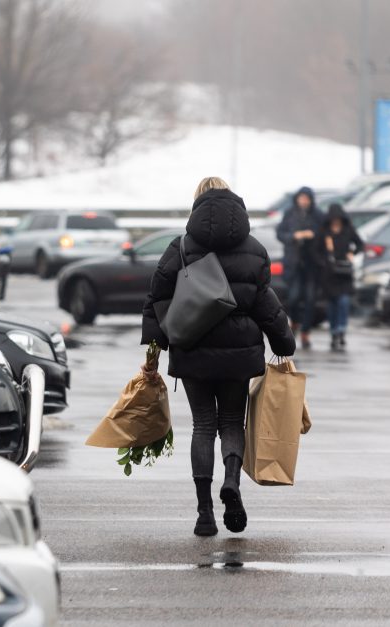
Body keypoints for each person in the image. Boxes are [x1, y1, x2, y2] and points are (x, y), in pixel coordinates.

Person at [141, 177, 296, 537]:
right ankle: (231, 482)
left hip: (192, 350)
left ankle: (204, 513)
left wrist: (154, 351)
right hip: (239, 355)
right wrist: (283, 342)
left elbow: (157, 300)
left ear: (197, 203)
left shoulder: (180, 247)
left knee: (203, 427)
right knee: (230, 423)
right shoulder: (254, 250)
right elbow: (265, 304)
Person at [276, 187, 325, 349]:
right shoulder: (290, 213)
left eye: (306, 199)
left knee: (311, 299)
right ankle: (295, 322)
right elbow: (280, 233)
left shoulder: (318, 215)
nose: (303, 202)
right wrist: (294, 236)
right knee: (294, 297)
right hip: (294, 263)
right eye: (301, 198)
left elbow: (325, 234)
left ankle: (306, 331)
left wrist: (313, 235)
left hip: (312, 264)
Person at [321, 203, 364, 351]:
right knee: (332, 304)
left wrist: (352, 253)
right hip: (329, 274)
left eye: (338, 218)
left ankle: (341, 331)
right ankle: (334, 333)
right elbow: (315, 250)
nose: (336, 221)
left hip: (344, 273)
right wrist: (324, 261)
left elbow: (360, 244)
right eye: (333, 219)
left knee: (344, 302)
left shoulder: (348, 229)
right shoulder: (324, 231)